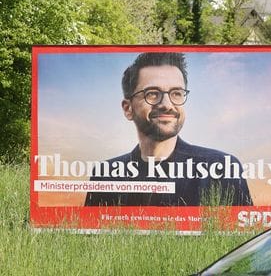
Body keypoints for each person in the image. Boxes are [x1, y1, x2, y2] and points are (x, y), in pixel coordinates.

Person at [85, 52, 253, 207]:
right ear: (128, 108)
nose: (166, 104)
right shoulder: (106, 173)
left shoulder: (222, 168)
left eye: (176, 93)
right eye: (152, 93)